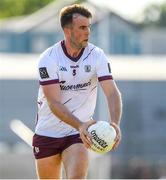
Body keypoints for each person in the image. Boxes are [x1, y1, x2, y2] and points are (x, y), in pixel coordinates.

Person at [32, 3, 122, 179]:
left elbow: (112, 92)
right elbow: (54, 103)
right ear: (67, 30)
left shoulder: (97, 55)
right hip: (47, 132)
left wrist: (115, 123)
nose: (88, 32)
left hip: (79, 134)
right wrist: (79, 125)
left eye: (89, 26)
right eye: (82, 27)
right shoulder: (49, 58)